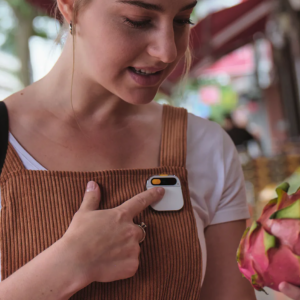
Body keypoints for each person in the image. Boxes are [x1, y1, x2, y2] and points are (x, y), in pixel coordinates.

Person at [0, 0, 294, 299]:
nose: (167, 51)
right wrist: (67, 265)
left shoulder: (207, 146)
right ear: (70, 6)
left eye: (182, 20)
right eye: (138, 20)